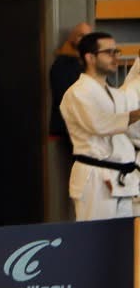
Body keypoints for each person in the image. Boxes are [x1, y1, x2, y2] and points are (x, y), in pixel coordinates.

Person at [61, 31, 140, 220]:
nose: (115, 57)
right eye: (109, 52)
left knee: (124, 236)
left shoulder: (113, 93)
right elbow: (101, 125)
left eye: (116, 51)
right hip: (94, 181)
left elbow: (130, 111)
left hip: (120, 180)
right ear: (90, 57)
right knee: (95, 236)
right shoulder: (78, 92)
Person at [47, 21, 91, 182]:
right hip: (72, 125)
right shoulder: (62, 65)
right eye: (82, 35)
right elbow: (66, 96)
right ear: (73, 38)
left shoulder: (85, 63)